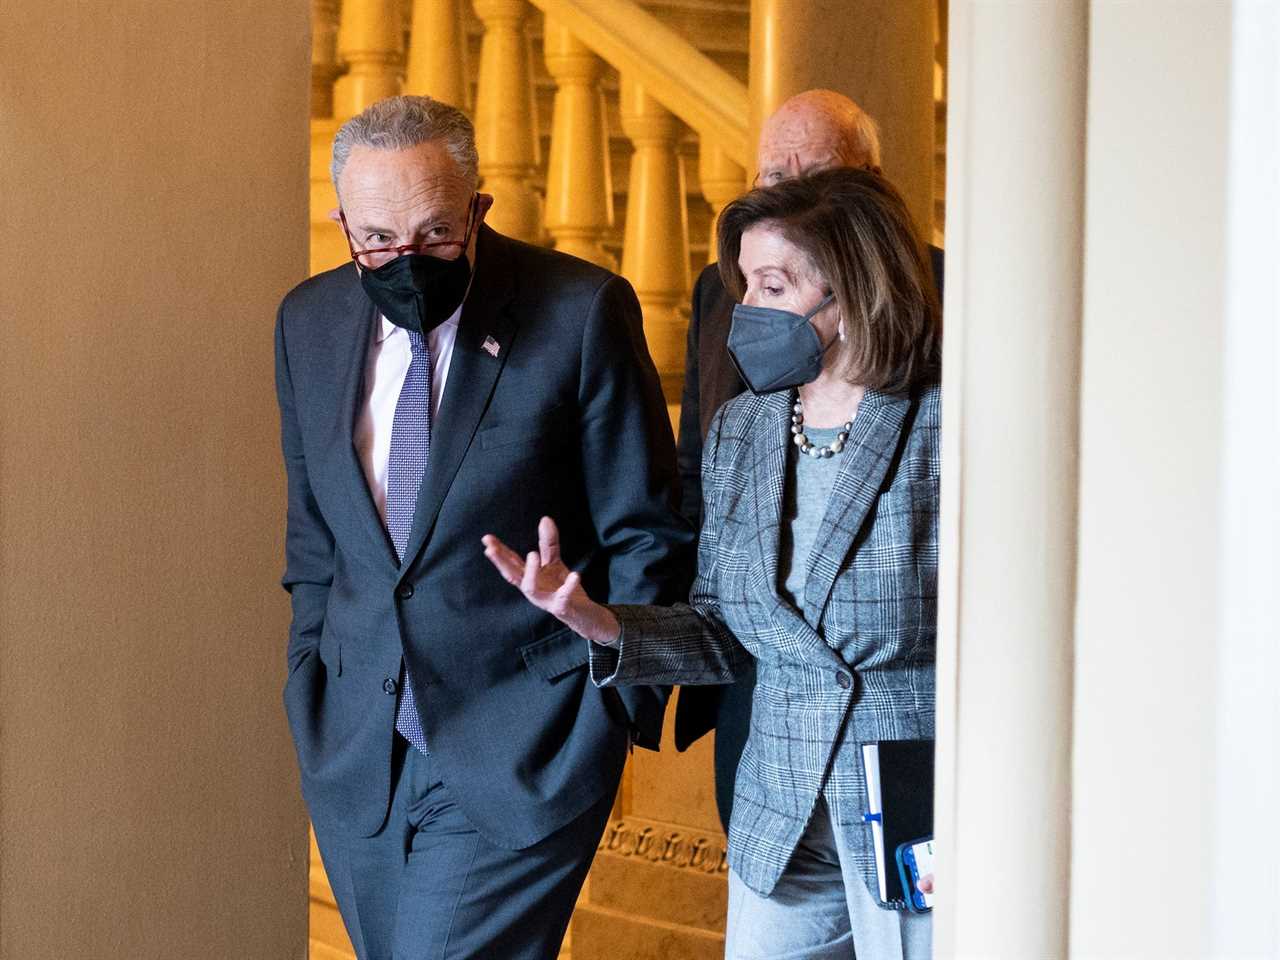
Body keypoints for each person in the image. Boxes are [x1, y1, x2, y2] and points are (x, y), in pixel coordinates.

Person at [485, 166, 942, 959]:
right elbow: (723, 630)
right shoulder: (742, 430)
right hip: (780, 811)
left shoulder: (947, 422)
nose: (746, 312)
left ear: (852, 290)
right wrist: (597, 620)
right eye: (745, 285)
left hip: (916, 810)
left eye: (772, 284)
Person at [275, 95, 692, 960]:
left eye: (435, 235)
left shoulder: (580, 312)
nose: (406, 259)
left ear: (479, 208)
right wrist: (309, 676)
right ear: (341, 222)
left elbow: (649, 534)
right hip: (359, 751)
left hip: (525, 742)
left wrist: (609, 708)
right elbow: (316, 538)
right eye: (378, 239)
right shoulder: (307, 323)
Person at [675, 89, 945, 829]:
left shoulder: (947, 304)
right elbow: (702, 471)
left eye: (817, 172)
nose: (791, 190)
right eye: (773, 176)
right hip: (762, 699)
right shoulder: (722, 292)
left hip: (899, 733)